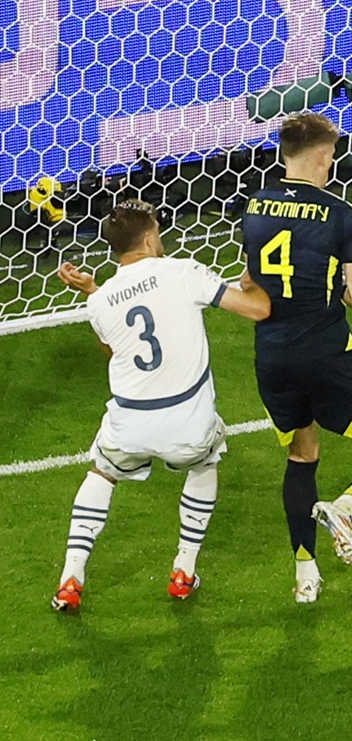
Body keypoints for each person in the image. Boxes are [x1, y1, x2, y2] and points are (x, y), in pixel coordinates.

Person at [51, 200, 271, 612]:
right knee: (206, 462)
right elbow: (258, 309)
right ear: (151, 238)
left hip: (130, 425)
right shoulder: (183, 272)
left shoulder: (99, 300)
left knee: (102, 472)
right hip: (187, 425)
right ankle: (184, 569)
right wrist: (253, 274)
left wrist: (92, 291)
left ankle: (70, 576)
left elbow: (113, 350)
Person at [241, 112, 352, 604]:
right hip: (326, 354)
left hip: (273, 358)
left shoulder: (254, 206)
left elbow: (249, 284)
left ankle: (305, 574)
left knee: (302, 456)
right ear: (324, 156)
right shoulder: (340, 212)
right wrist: (330, 283)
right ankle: (346, 506)